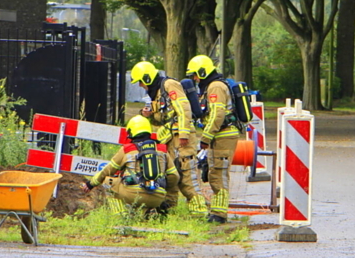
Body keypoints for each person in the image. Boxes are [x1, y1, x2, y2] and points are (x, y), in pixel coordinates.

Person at [130, 61, 208, 216]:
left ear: (147, 78)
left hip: (181, 138)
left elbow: (184, 109)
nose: (140, 85)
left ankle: (200, 212)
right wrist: (148, 115)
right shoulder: (157, 93)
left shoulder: (169, 85)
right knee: (172, 176)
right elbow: (162, 118)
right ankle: (168, 211)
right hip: (169, 140)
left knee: (187, 177)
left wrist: (184, 134)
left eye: (140, 81)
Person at [85, 115, 179, 214]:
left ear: (131, 131)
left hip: (133, 194)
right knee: (152, 195)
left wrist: (90, 184)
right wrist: (163, 187)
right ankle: (150, 211)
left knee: (108, 182)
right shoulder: (162, 149)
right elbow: (175, 176)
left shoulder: (127, 149)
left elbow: (108, 170)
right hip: (157, 197)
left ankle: (121, 215)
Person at [186, 55, 240, 223]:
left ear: (203, 72)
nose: (194, 79)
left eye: (195, 75)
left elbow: (217, 115)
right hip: (220, 134)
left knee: (219, 173)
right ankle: (217, 211)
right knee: (214, 172)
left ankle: (220, 214)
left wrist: (205, 139)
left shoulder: (215, 87)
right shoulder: (212, 86)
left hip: (223, 135)